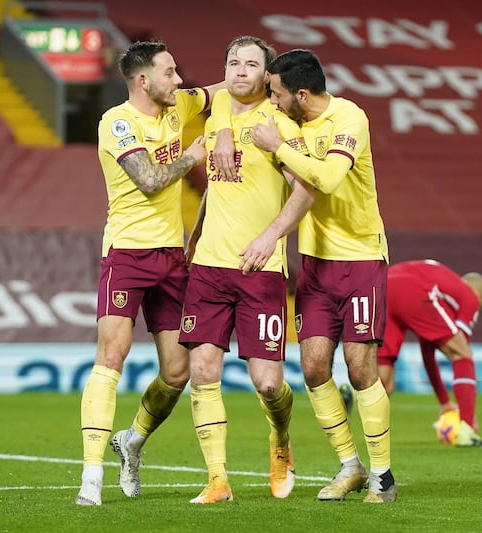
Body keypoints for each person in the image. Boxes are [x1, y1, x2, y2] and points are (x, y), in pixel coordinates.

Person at [75, 40, 225, 506]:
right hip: (127, 254)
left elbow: (219, 91)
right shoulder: (117, 123)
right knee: (112, 357)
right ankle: (91, 477)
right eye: (170, 73)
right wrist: (193, 157)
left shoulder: (179, 103)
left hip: (171, 258)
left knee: (177, 373)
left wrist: (265, 77)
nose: (179, 80)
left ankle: (133, 441)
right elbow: (150, 180)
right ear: (144, 81)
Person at [250, 49, 395, 503]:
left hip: (362, 259)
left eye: (276, 93)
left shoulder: (350, 118)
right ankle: (349, 465)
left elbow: (329, 179)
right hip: (314, 263)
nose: (270, 101)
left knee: (360, 366)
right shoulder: (287, 123)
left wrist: (280, 148)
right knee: (313, 367)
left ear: (302, 94)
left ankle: (382, 475)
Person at [179, 36, 315, 504]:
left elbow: (305, 191)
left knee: (268, 382)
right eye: (233, 62)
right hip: (209, 265)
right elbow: (220, 191)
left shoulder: (280, 125)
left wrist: (270, 236)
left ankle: (280, 441)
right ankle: (217, 479)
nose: (240, 71)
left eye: (251, 64)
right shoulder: (215, 110)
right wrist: (194, 235)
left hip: (260, 267)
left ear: (266, 75)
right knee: (202, 369)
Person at [376, 259, 482, 447]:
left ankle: (354, 401)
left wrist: (445, 402)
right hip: (413, 288)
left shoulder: (440, 296)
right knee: (463, 355)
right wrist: (466, 413)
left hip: (383, 286)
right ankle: (467, 431)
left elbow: (427, 353)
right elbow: (460, 355)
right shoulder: (470, 297)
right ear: (479, 296)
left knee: (384, 384)